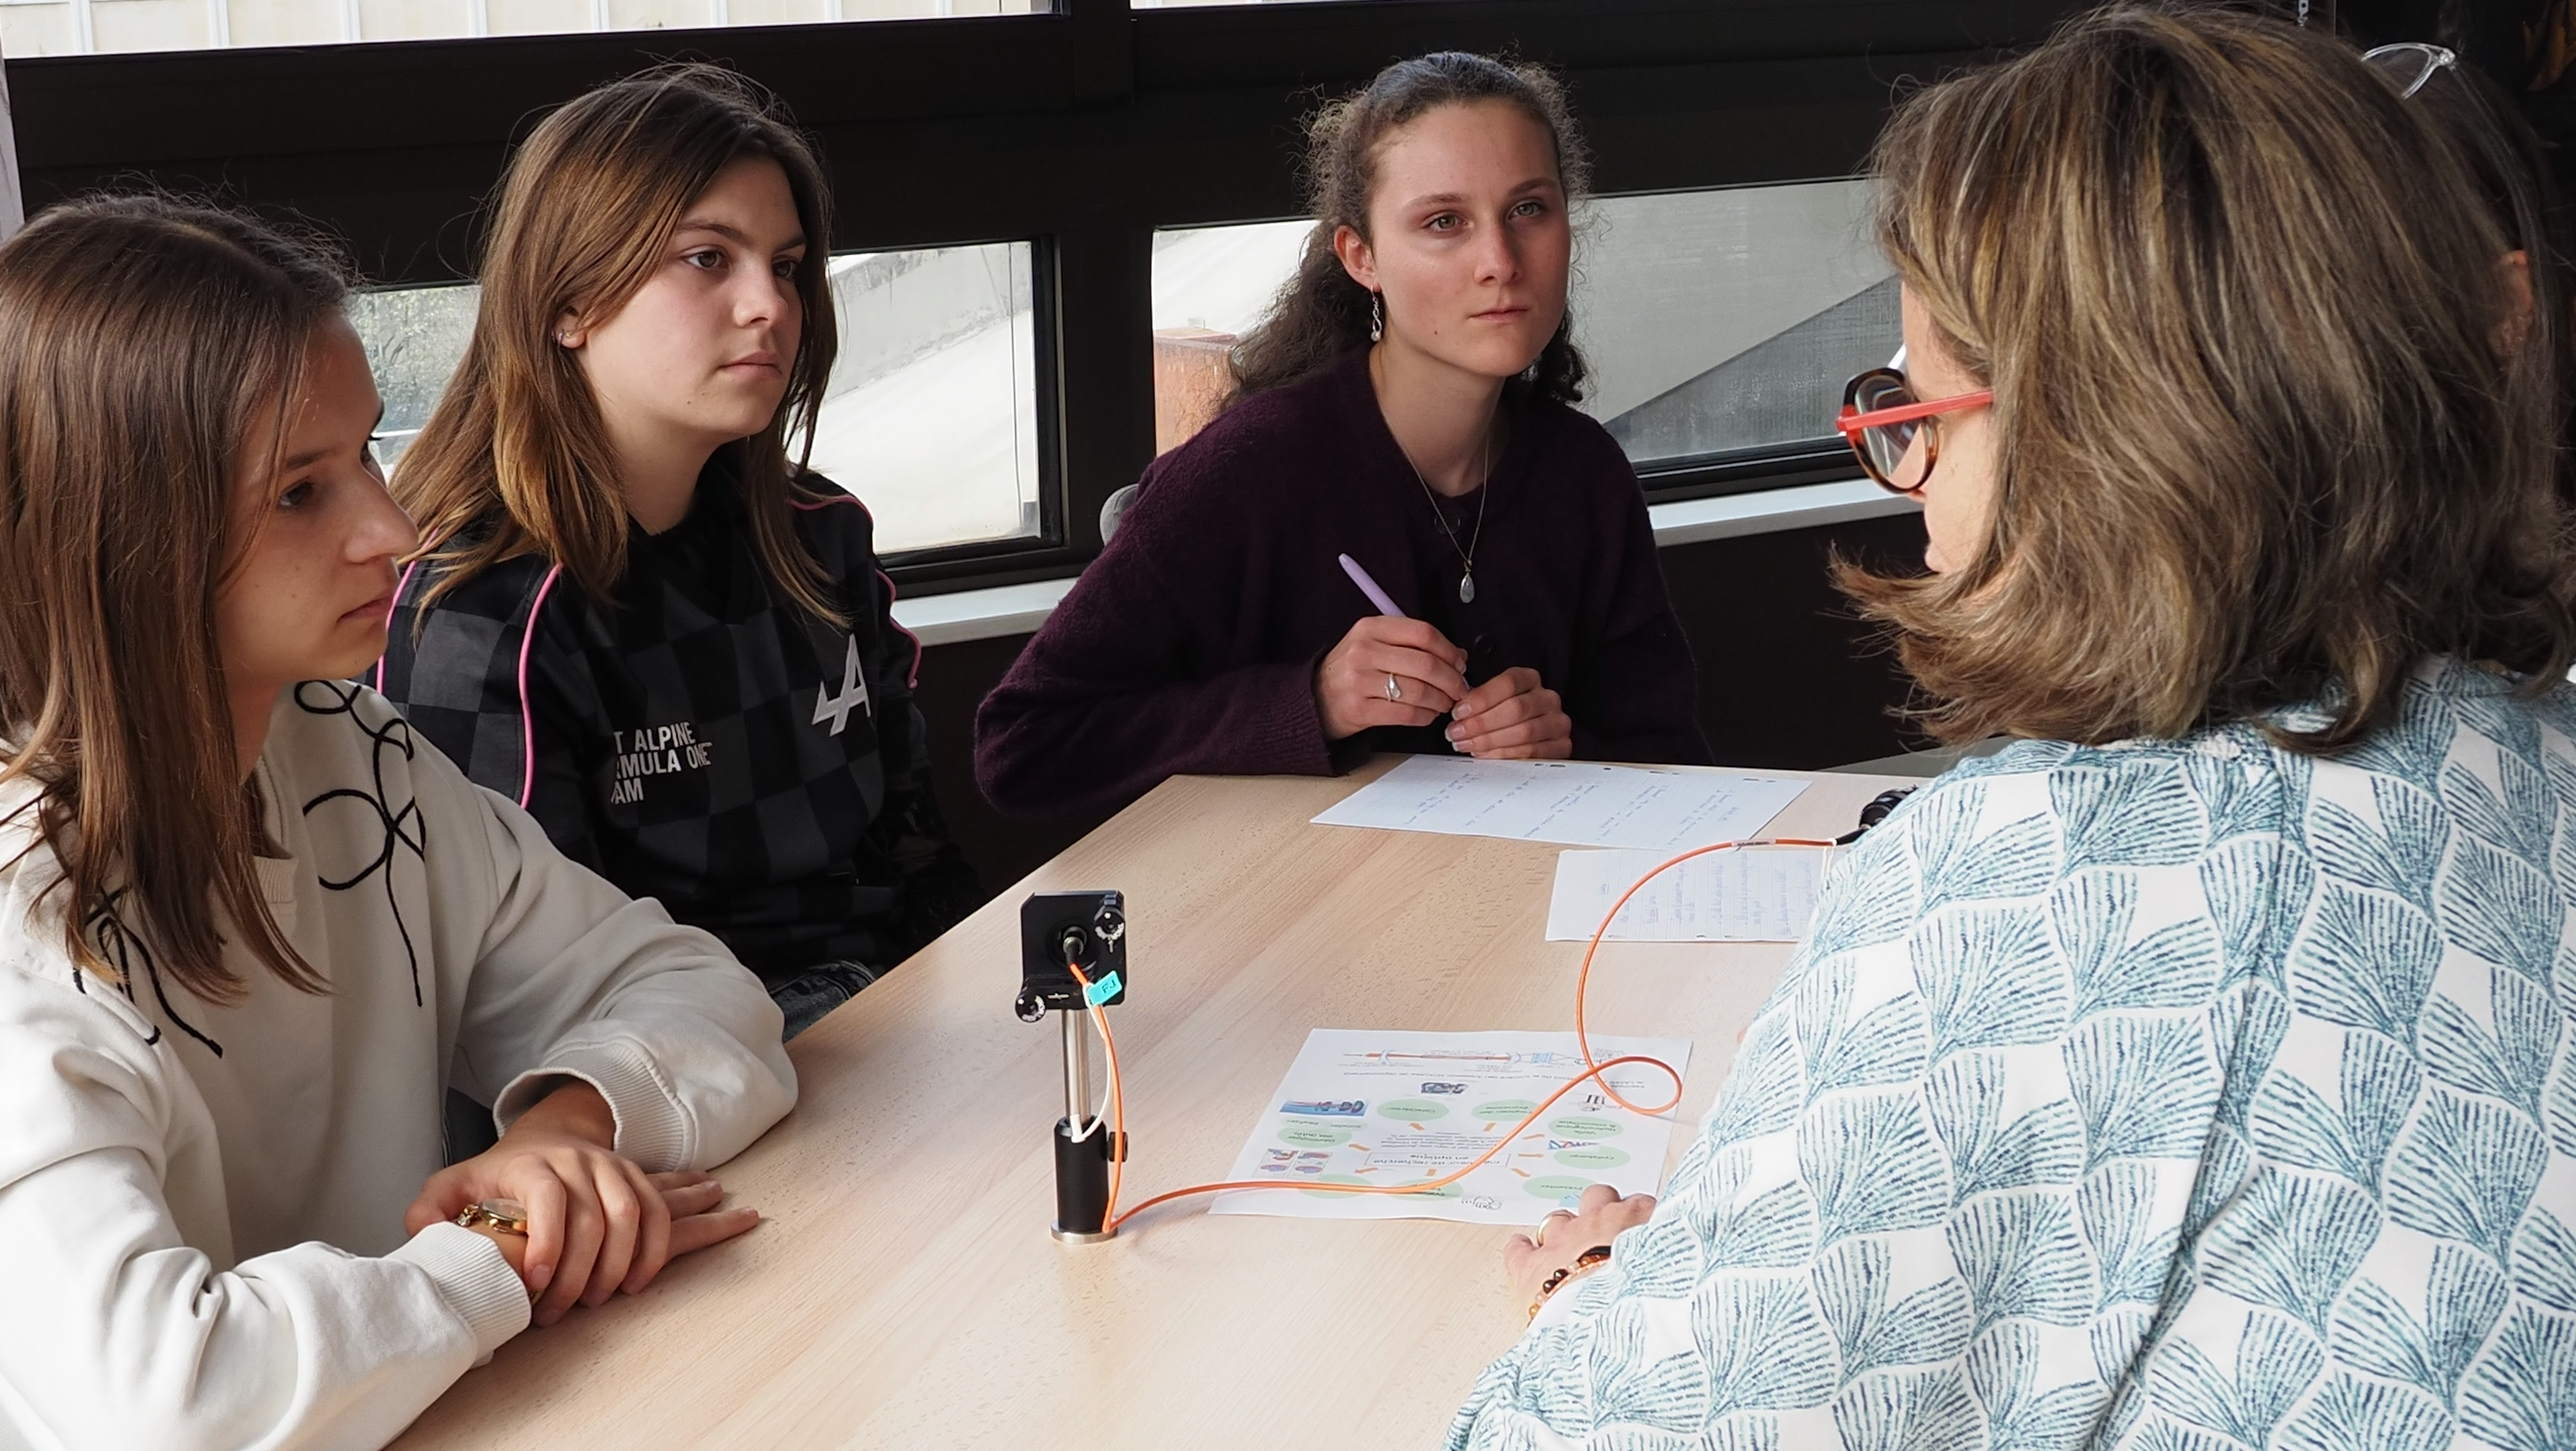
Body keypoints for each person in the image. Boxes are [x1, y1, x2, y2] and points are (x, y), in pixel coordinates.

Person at [1451, 8, 2576, 1448]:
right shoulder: (2536, 743)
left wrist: (1594, 1293)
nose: (1909, 472)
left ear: (2114, 444)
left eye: (1923, 405)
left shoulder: (2044, 892)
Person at [0, 196, 797, 1450]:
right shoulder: (19, 919)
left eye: (365, 455)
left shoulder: (349, 745)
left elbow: (697, 987)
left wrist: (563, 1128)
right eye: (299, 492)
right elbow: (160, 1406)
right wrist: (500, 1248)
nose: (393, 530)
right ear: (116, 541)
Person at [379, 65, 978, 1042]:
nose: (769, 305)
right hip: (674, 1071)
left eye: (787, 265)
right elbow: (533, 997)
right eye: (708, 258)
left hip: (888, 1016)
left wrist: (1012, 1012)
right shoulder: (478, 610)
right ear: (569, 303)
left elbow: (919, 857)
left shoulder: (822, 534)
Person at [973, 53, 1709, 819]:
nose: (1500, 262)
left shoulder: (1585, 472)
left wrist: (1568, 749)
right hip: (1280, 894)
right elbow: (1021, 746)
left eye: (1529, 209)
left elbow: (1675, 763)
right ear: (1363, 258)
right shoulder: (1247, 472)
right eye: (1444, 223)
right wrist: (1311, 702)